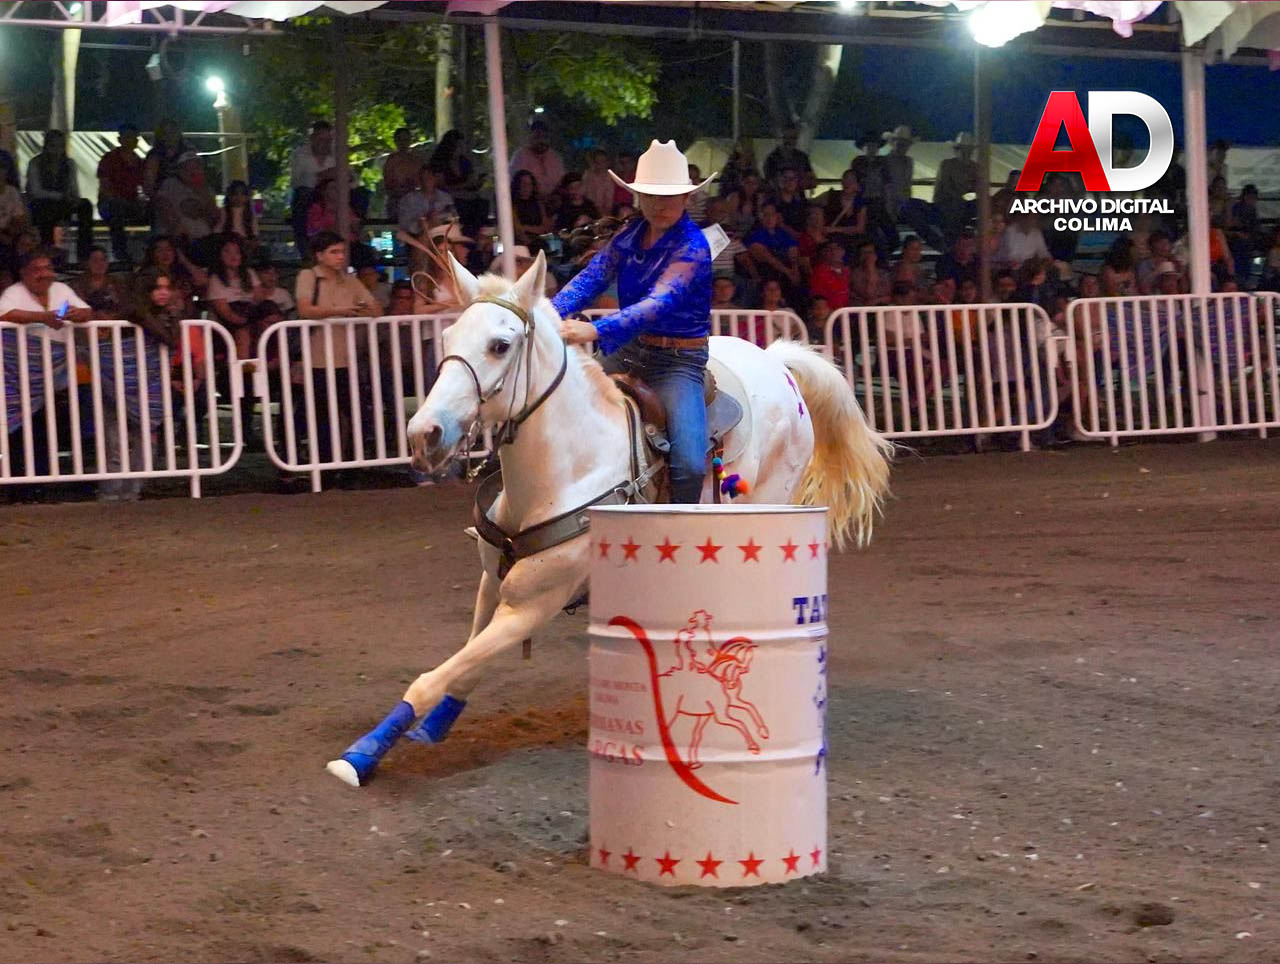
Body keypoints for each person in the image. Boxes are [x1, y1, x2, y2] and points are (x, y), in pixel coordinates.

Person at [553, 139, 716, 504]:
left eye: (668, 197)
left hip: (678, 362)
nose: (659, 205)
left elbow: (659, 303)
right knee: (562, 405)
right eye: (651, 196)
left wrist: (595, 329)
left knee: (689, 463)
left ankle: (682, 525)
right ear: (638, 197)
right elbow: (591, 278)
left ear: (686, 198)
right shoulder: (628, 237)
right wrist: (548, 313)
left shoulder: (693, 246)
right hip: (630, 349)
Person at [1, 250, 91, 481]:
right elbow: (5, 314)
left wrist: (76, 313)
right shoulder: (13, 292)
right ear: (24, 273)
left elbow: (87, 311)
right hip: (19, 377)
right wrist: (42, 317)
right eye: (37, 269)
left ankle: (49, 481)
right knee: (21, 432)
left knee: (53, 429)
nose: (44, 274)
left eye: (47, 268)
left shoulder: (62, 289)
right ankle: (21, 484)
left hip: (57, 375)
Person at [293, 231, 380, 464]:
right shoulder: (309, 276)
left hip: (346, 360)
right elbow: (305, 309)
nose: (340, 256)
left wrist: (354, 311)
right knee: (322, 418)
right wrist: (339, 312)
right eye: (334, 252)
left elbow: (375, 309)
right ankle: (326, 467)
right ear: (319, 255)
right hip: (317, 359)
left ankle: (352, 465)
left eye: (342, 252)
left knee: (357, 415)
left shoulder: (350, 280)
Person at [27, 129, 94, 262]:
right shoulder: (35, 163)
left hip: (62, 203)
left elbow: (73, 186)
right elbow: (36, 191)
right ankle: (48, 251)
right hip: (42, 203)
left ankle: (84, 254)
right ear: (46, 146)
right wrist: (60, 196)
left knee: (85, 205)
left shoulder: (69, 164)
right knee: (45, 209)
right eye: (53, 146)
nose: (57, 150)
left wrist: (75, 198)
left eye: (60, 146)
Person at [153, 152, 219, 266]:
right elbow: (164, 208)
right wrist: (181, 234)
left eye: (196, 167)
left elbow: (214, 217)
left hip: (205, 240)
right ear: (180, 170)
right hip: (179, 240)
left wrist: (203, 193)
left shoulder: (206, 190)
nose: (193, 171)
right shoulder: (170, 185)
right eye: (188, 167)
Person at [96, 124, 147, 264]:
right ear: (120, 139)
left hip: (132, 204)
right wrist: (119, 199)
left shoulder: (140, 162)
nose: (131, 141)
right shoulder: (109, 159)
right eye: (127, 137)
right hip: (110, 204)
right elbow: (105, 187)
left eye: (134, 138)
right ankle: (120, 253)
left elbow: (143, 187)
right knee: (116, 209)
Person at [396, 166, 456, 272]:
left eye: (429, 177)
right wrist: (422, 223)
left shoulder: (445, 198)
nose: (427, 181)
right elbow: (404, 225)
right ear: (419, 180)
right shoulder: (408, 200)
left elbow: (453, 217)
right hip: (418, 238)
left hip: (442, 236)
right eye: (423, 178)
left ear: (435, 178)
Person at [289, 120, 336, 254]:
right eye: (321, 140)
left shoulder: (336, 155)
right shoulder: (300, 155)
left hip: (333, 195)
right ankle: (305, 248)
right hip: (309, 195)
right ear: (312, 139)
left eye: (328, 140)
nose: (324, 144)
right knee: (302, 195)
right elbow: (296, 182)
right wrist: (320, 176)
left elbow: (351, 178)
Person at [429, 129, 485, 232]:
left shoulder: (464, 162)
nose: (461, 148)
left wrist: (477, 183)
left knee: (481, 204)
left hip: (467, 197)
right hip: (447, 199)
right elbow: (441, 186)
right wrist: (462, 187)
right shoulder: (439, 163)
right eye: (459, 145)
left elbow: (471, 181)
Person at [933, 132, 978, 242]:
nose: (965, 153)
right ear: (957, 150)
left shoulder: (975, 167)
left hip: (963, 207)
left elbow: (977, 189)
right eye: (963, 150)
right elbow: (945, 189)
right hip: (946, 206)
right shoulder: (947, 165)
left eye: (968, 150)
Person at [508, 119, 565, 200]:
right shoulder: (520, 157)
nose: (541, 141)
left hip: (554, 202)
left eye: (544, 137)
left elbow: (562, 182)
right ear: (530, 137)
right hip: (529, 202)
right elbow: (516, 185)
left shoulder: (555, 158)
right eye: (537, 137)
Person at [72, 246, 127, 319]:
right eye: (95, 261)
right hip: (85, 323)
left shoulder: (117, 283)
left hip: (114, 323)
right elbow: (73, 308)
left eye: (103, 260)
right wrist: (94, 316)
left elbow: (125, 307)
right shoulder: (78, 284)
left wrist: (111, 317)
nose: (100, 264)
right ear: (87, 263)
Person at [382, 127, 422, 221]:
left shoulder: (416, 159)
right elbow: (388, 183)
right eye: (400, 139)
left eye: (406, 139)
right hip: (396, 201)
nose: (403, 143)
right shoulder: (391, 160)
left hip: (414, 201)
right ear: (396, 141)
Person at [763, 125, 815, 191]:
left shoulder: (802, 157)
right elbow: (770, 183)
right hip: (779, 196)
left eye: (793, 138)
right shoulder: (772, 159)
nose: (789, 141)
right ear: (781, 139)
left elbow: (812, 181)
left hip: (798, 196)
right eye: (786, 137)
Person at [511, 169, 550, 248]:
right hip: (521, 244)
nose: (526, 187)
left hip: (540, 240)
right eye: (523, 184)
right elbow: (518, 230)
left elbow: (545, 228)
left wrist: (526, 227)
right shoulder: (512, 205)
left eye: (529, 184)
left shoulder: (538, 204)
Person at [215, 179, 257, 249]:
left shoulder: (250, 212)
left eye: (242, 194)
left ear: (247, 197)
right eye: (235, 194)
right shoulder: (224, 210)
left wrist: (253, 240)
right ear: (229, 196)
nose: (239, 197)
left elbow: (254, 228)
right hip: (228, 241)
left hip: (246, 242)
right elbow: (220, 226)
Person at [580, 149, 615, 221]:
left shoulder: (609, 177)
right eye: (597, 162)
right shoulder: (587, 174)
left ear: (607, 163)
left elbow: (609, 201)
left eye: (602, 161)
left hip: (603, 211)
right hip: (587, 209)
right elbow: (582, 192)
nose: (600, 164)